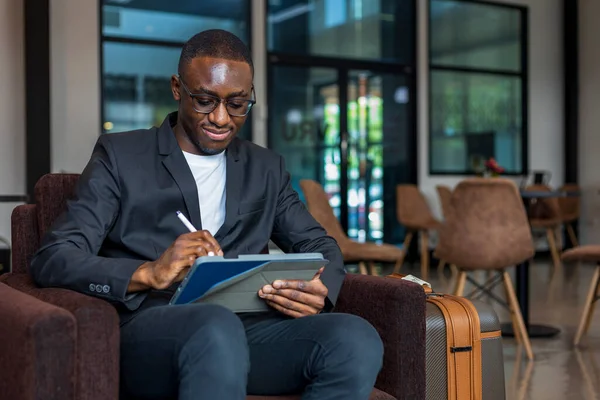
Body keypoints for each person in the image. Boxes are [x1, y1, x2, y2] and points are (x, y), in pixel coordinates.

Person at [30, 29, 383, 400]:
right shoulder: (121, 156)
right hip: (153, 333)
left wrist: (317, 291)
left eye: (237, 104)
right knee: (214, 327)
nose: (220, 118)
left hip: (247, 331)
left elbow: (320, 245)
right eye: (204, 100)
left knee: (355, 338)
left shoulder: (265, 168)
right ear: (177, 88)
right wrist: (147, 272)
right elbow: (54, 257)